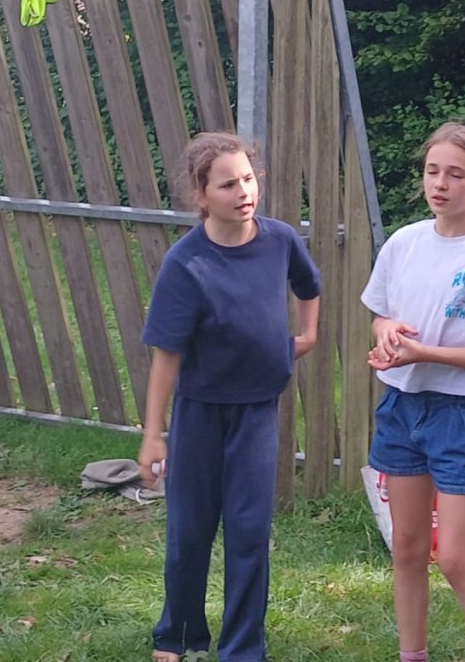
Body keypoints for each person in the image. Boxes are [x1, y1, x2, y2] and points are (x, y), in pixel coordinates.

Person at [137, 132, 321, 662]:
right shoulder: (186, 263)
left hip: (258, 409)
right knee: (190, 530)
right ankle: (178, 633)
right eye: (227, 185)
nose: (243, 192)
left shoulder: (280, 240)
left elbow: (308, 286)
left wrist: (306, 336)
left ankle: (242, 648)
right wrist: (153, 435)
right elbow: (166, 354)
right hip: (199, 412)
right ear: (201, 195)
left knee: (248, 531)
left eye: (248, 179)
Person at [362, 122, 465, 662]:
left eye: (456, 174)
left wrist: (424, 354)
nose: (440, 184)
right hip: (400, 408)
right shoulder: (404, 243)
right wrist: (387, 333)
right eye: (433, 171)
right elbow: (381, 313)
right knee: (407, 547)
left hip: (461, 416)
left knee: (453, 556)